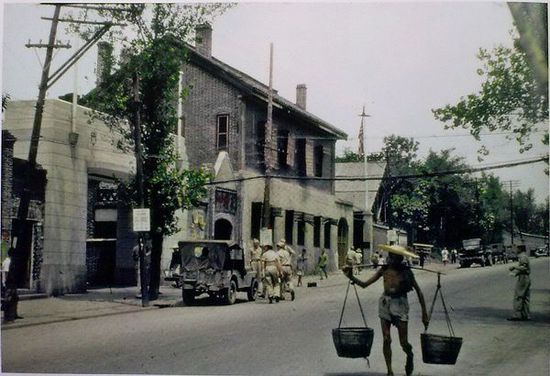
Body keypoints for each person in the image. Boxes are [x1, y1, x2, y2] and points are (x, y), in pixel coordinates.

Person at [343, 246, 429, 376]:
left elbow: (419, 292)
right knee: (386, 339)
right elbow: (365, 284)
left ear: (400, 259)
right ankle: (389, 371)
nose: (391, 259)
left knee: (403, 343)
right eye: (390, 256)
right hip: (385, 303)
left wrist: (424, 313)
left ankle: (409, 355)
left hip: (400, 304)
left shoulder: (406, 272)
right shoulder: (383, 270)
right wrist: (351, 277)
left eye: (394, 257)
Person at [508, 245, 531, 321]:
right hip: (525, 277)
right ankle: (525, 314)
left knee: (519, 296)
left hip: (523, 278)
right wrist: (516, 273)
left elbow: (524, 268)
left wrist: (514, 267)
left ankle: (517, 315)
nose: (516, 250)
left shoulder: (523, 257)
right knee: (525, 297)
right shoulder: (524, 256)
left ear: (520, 249)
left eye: (517, 248)